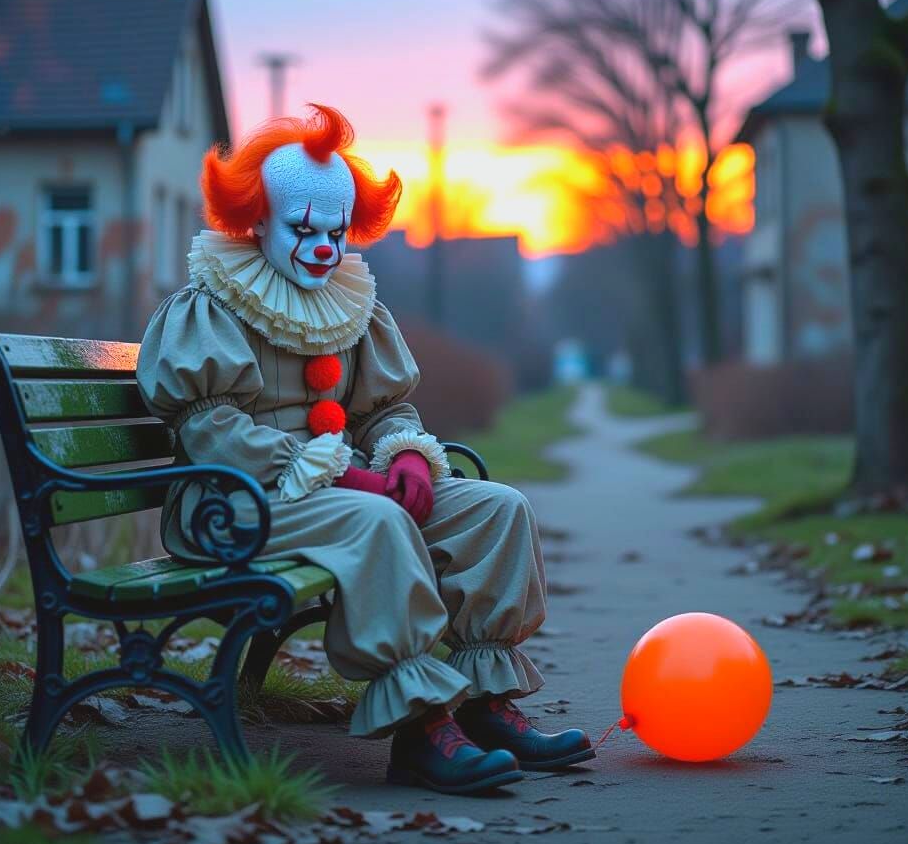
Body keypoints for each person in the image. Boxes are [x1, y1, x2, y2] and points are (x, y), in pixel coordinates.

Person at [137, 104, 594, 794]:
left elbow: (382, 409)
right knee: (375, 521)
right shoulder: (215, 305)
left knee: (497, 509)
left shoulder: (349, 305)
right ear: (258, 219)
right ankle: (421, 730)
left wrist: (404, 451)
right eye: (302, 228)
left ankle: (482, 702)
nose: (323, 246)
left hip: (337, 492)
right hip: (237, 502)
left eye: (336, 230)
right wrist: (340, 474)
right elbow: (210, 429)